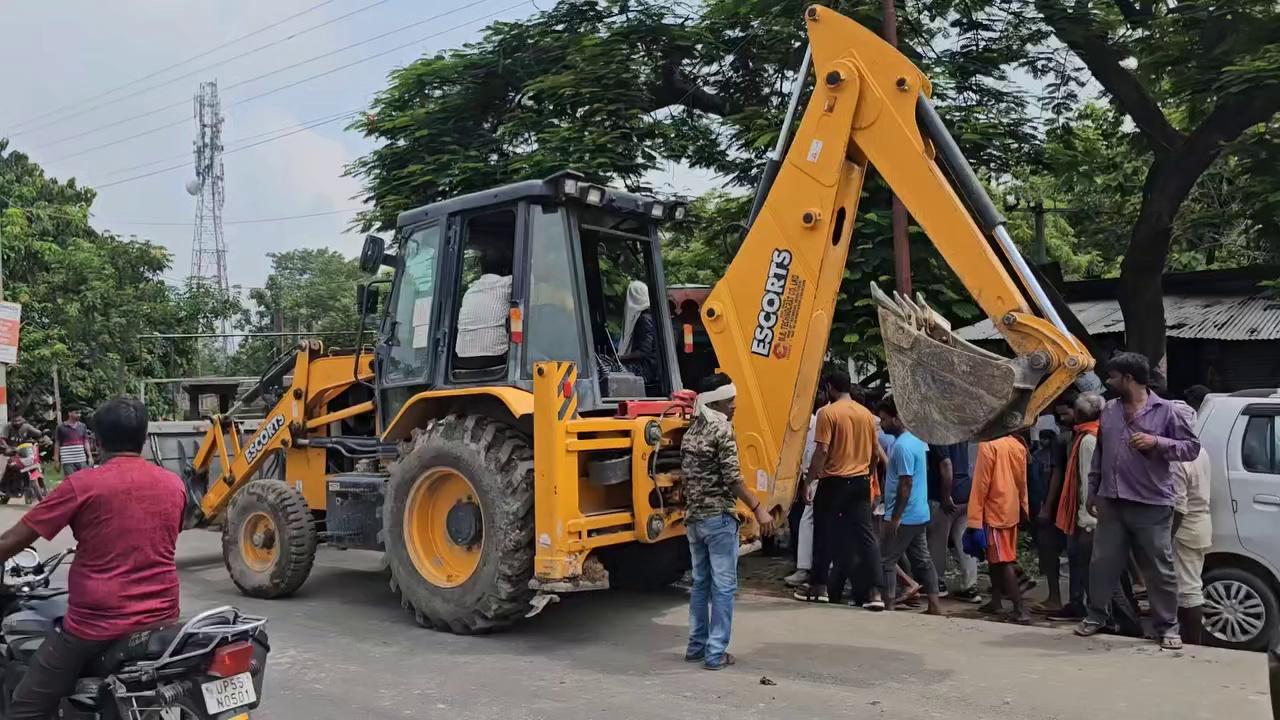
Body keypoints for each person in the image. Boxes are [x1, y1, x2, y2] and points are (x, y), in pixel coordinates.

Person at [0, 397, 185, 719]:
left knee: (24, 709)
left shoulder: (82, 485)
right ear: (143, 438)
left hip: (96, 626)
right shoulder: (174, 484)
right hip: (162, 620)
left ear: (95, 441)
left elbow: (13, 540)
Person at [1074, 352, 1200, 650]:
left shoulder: (1168, 411)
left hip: (1152, 503)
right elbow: (1101, 453)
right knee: (1102, 563)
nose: (1108, 382)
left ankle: (1168, 626)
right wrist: (1093, 489)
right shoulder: (1110, 411)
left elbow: (1191, 448)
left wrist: (1157, 442)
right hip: (1112, 501)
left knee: (1159, 567)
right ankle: (1096, 616)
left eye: (1113, 376)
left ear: (1129, 379)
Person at [681, 375, 773, 670]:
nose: (734, 405)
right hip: (718, 519)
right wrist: (758, 508)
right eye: (730, 400)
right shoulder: (722, 428)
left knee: (700, 584)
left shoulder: (692, 430)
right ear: (717, 401)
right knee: (722, 587)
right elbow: (733, 478)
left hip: (694, 520)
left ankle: (696, 646)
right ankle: (715, 652)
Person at [794, 370, 884, 610]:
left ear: (830, 388)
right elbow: (875, 454)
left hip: (834, 481)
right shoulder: (867, 415)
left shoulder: (828, 413)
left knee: (824, 534)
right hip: (860, 481)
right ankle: (876, 593)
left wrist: (809, 481)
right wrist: (870, 475)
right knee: (866, 538)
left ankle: (819, 587)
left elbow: (822, 451)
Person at [877, 396, 942, 615]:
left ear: (897, 418)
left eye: (884, 419)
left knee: (886, 560)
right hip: (918, 513)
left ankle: (889, 604)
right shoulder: (916, 441)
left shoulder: (902, 446)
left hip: (904, 516)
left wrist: (895, 517)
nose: (881, 423)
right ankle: (934, 605)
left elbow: (906, 483)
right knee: (923, 560)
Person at [1047, 393, 1102, 621]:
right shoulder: (1087, 435)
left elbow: (1087, 482)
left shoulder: (1088, 439)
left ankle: (1089, 610)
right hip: (1082, 514)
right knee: (1079, 563)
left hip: (1086, 518)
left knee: (1084, 565)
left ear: (1078, 413)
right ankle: (1080, 605)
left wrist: (1086, 520)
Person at [967, 433, 1031, 623]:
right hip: (1010, 509)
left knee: (1003, 561)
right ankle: (996, 601)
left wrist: (974, 519)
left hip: (994, 511)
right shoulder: (1017, 445)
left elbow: (981, 484)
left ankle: (1020, 609)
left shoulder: (988, 445)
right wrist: (1023, 506)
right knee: (995, 559)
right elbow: (1022, 481)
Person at [1170, 400, 1211, 645]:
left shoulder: (1178, 457)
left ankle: (1191, 644)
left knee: (1187, 591)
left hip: (1185, 528)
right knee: (1188, 586)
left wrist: (1166, 537)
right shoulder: (1200, 450)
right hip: (1200, 524)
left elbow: (1178, 507)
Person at [1032, 394, 1077, 614]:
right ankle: (1075, 601)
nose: (1061, 418)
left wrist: (1047, 507)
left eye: (1065, 413)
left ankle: (1055, 597)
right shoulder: (1091, 435)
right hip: (1078, 507)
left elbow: (1055, 476)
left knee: (1050, 550)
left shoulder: (1063, 440)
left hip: (1061, 505)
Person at [927, 441, 980, 602]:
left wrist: (945, 496)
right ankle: (970, 586)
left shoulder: (938, 436)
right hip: (966, 490)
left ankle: (938, 583)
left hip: (947, 493)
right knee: (962, 539)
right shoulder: (960, 434)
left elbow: (946, 464)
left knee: (937, 540)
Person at [784, 400, 822, 588]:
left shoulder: (817, 423)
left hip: (815, 477)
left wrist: (806, 481)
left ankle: (805, 568)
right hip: (803, 477)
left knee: (807, 522)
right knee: (803, 522)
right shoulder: (800, 426)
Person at [455, 248, 512, 368]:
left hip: (463, 358)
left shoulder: (470, 292)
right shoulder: (507, 284)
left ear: (481, 270)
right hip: (494, 357)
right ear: (506, 270)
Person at [618, 281, 659, 395]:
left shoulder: (643, 319)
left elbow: (644, 352)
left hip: (646, 371)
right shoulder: (652, 317)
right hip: (653, 369)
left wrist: (620, 358)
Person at [55, 408, 94, 476]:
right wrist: (56, 460)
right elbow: (57, 444)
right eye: (76, 413)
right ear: (69, 413)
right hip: (67, 460)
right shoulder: (61, 427)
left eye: (79, 413)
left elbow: (86, 442)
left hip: (81, 458)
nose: (79, 415)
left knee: (84, 479)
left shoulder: (82, 426)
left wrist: (90, 456)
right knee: (71, 481)